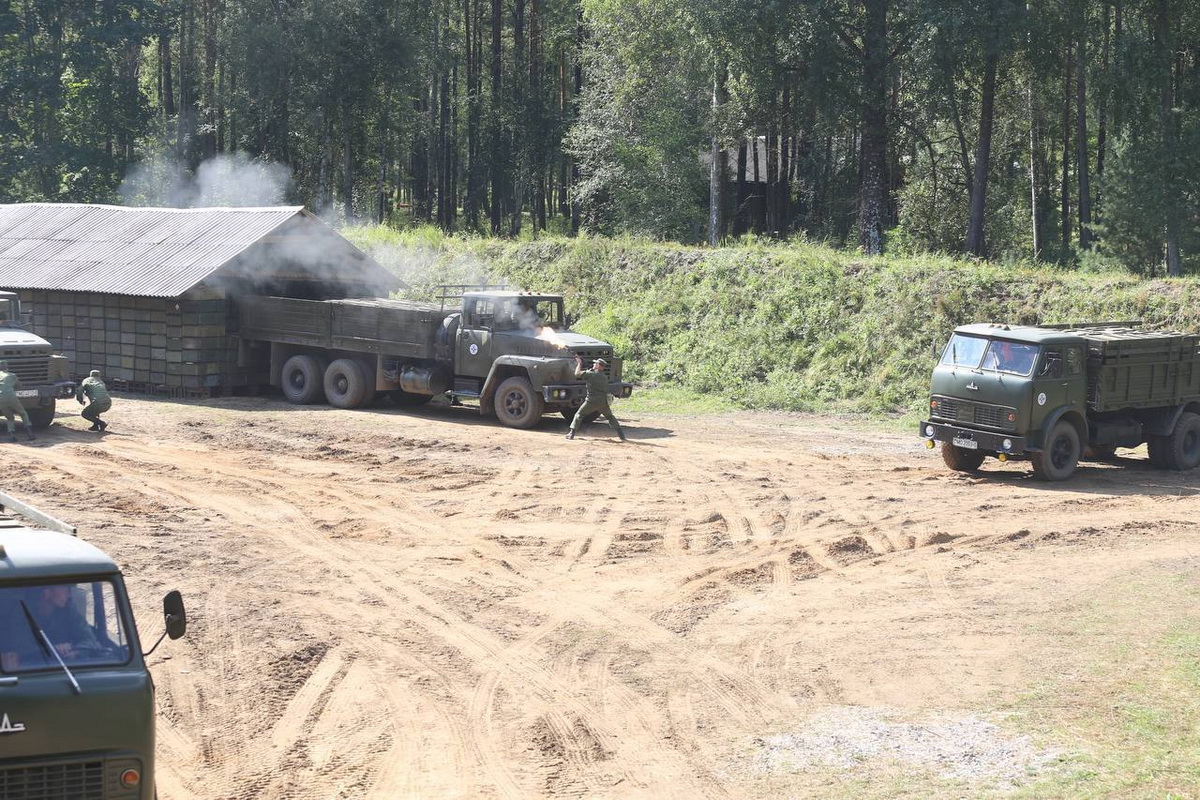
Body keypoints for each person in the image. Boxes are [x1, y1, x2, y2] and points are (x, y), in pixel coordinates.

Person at [566, 355, 627, 442]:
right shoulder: (604, 377)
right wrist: (589, 370)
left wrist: (579, 363)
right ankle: (621, 435)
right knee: (610, 416)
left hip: (591, 401)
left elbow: (577, 374)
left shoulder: (591, 374)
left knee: (579, 415)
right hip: (602, 401)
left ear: (599, 366)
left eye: (596, 363)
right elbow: (593, 376)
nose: (594, 364)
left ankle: (571, 434)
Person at [32, 584, 98, 660]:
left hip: (68, 666)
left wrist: (75, 650)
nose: (69, 594)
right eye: (65, 588)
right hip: (34, 668)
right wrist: (53, 649)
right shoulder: (23, 612)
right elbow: (21, 651)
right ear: (47, 592)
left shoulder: (69, 608)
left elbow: (91, 641)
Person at [0, 360, 35, 442]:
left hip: (0, 398)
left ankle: (12, 435)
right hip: (11, 396)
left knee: (9, 417)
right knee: (22, 413)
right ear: (7, 368)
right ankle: (30, 434)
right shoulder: (12, 375)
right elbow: (18, 385)